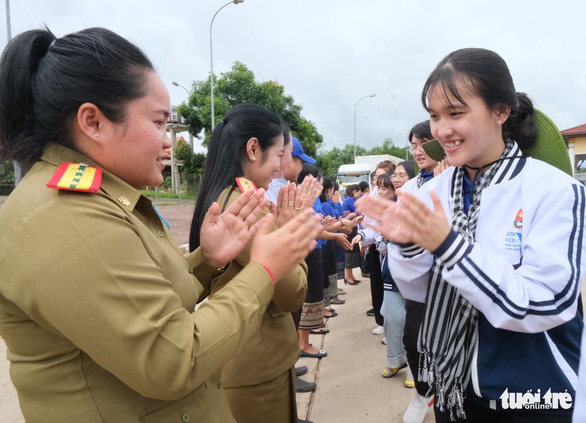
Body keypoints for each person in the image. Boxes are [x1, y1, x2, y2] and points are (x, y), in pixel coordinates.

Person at [0, 28, 321, 423]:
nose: (169, 142)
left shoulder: (99, 198)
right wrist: (265, 271)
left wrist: (208, 261)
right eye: (158, 123)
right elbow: (172, 360)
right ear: (93, 122)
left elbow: (151, 302)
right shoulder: (64, 213)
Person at [357, 48, 585, 422]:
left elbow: (547, 303)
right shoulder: (434, 191)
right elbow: (418, 292)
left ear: (500, 111)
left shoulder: (555, 191)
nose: (442, 130)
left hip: (531, 396)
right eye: (434, 116)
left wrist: (449, 245)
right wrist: (408, 244)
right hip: (453, 388)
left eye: (456, 113)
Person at [188, 103, 321, 423]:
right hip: (256, 366)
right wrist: (293, 229)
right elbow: (292, 294)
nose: (281, 166)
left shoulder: (231, 194)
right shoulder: (245, 205)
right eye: (278, 154)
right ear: (252, 149)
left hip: (251, 357)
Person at [399, 120, 443, 423]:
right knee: (413, 340)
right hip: (419, 281)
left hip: (452, 278)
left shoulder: (455, 176)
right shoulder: (411, 187)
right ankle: (422, 393)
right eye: (413, 145)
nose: (417, 151)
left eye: (423, 143)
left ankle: (445, 393)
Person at [341, 184, 362, 284]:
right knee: (349, 251)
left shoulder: (349, 199)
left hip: (351, 229)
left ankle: (350, 275)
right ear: (354, 192)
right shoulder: (350, 200)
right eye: (359, 192)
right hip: (348, 229)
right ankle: (347, 276)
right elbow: (360, 210)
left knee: (351, 250)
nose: (360, 194)